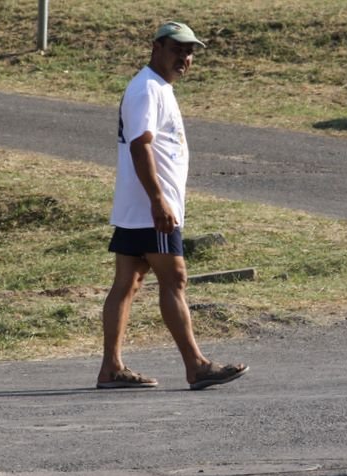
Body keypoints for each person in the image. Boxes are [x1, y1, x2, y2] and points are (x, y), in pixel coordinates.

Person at [97, 21, 248, 390]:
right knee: (175, 279)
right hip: (152, 210)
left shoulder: (155, 87)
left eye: (190, 51)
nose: (185, 57)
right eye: (178, 48)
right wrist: (159, 201)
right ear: (156, 47)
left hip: (140, 207)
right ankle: (196, 366)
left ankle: (111, 369)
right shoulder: (147, 88)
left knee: (127, 283)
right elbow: (140, 145)